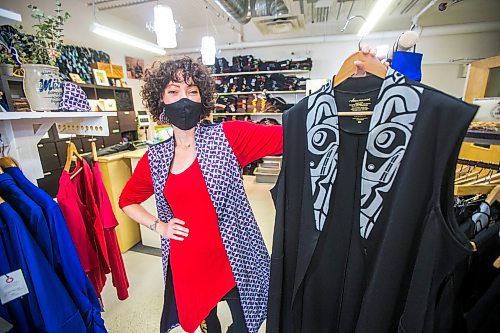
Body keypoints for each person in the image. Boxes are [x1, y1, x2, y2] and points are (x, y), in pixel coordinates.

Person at [119, 56, 282, 333]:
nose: (184, 98)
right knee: (209, 325)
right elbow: (126, 201)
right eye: (174, 90)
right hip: (190, 265)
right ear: (161, 102)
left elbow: (290, 134)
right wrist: (159, 226)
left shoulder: (229, 137)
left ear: (202, 99)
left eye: (192, 90)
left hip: (236, 259)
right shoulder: (156, 158)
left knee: (245, 324)